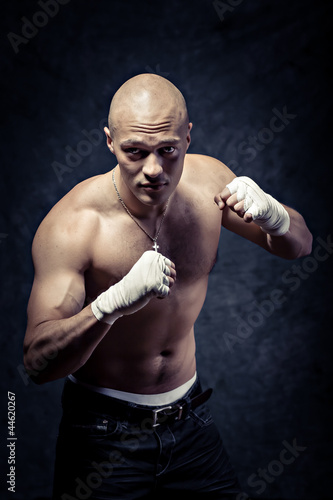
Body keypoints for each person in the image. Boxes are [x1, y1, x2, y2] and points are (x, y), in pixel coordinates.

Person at [23, 73, 312, 499]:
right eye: (135, 152)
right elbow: (36, 362)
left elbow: (301, 247)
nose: (153, 170)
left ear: (188, 137)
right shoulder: (73, 227)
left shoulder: (209, 183)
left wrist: (276, 217)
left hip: (191, 422)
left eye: (168, 151)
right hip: (103, 438)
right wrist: (112, 304)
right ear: (108, 141)